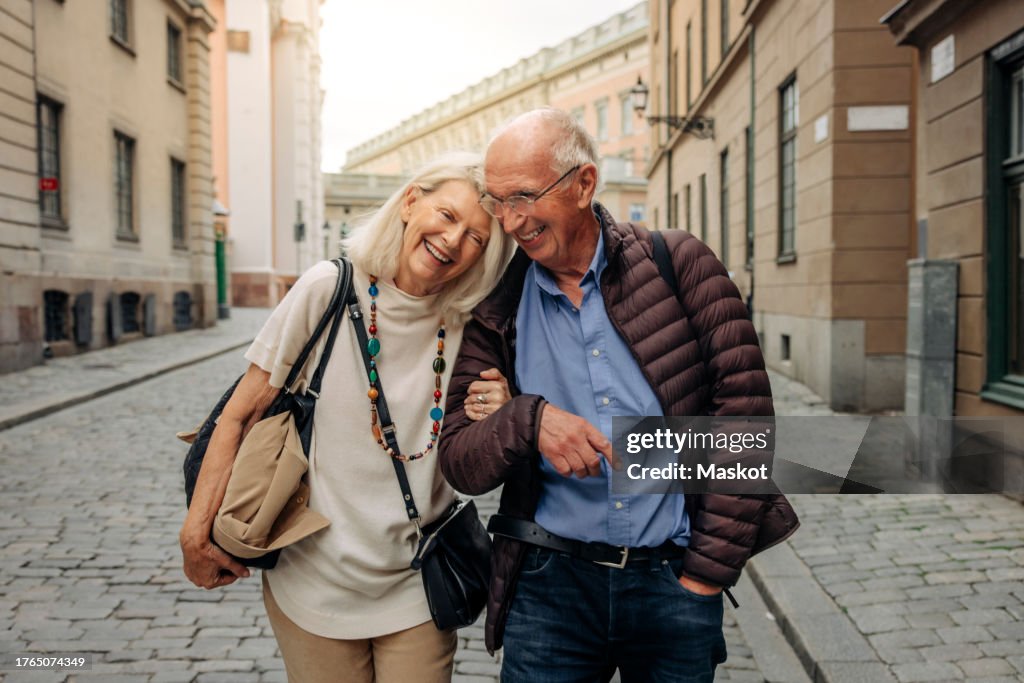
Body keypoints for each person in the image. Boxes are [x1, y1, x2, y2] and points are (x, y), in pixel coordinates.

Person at [439, 108, 800, 683]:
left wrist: (705, 575)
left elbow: (745, 423)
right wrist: (530, 420)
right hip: (549, 588)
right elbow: (461, 462)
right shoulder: (495, 311)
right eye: (497, 200)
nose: (509, 221)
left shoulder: (679, 263)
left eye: (525, 197)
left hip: (671, 583)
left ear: (584, 184)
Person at [179, 152, 515, 683]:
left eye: (476, 237)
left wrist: (497, 407)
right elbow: (240, 416)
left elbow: (488, 441)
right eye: (447, 216)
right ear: (411, 202)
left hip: (416, 583)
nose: (453, 240)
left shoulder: (473, 324)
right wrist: (195, 535)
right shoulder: (327, 289)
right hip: (314, 580)